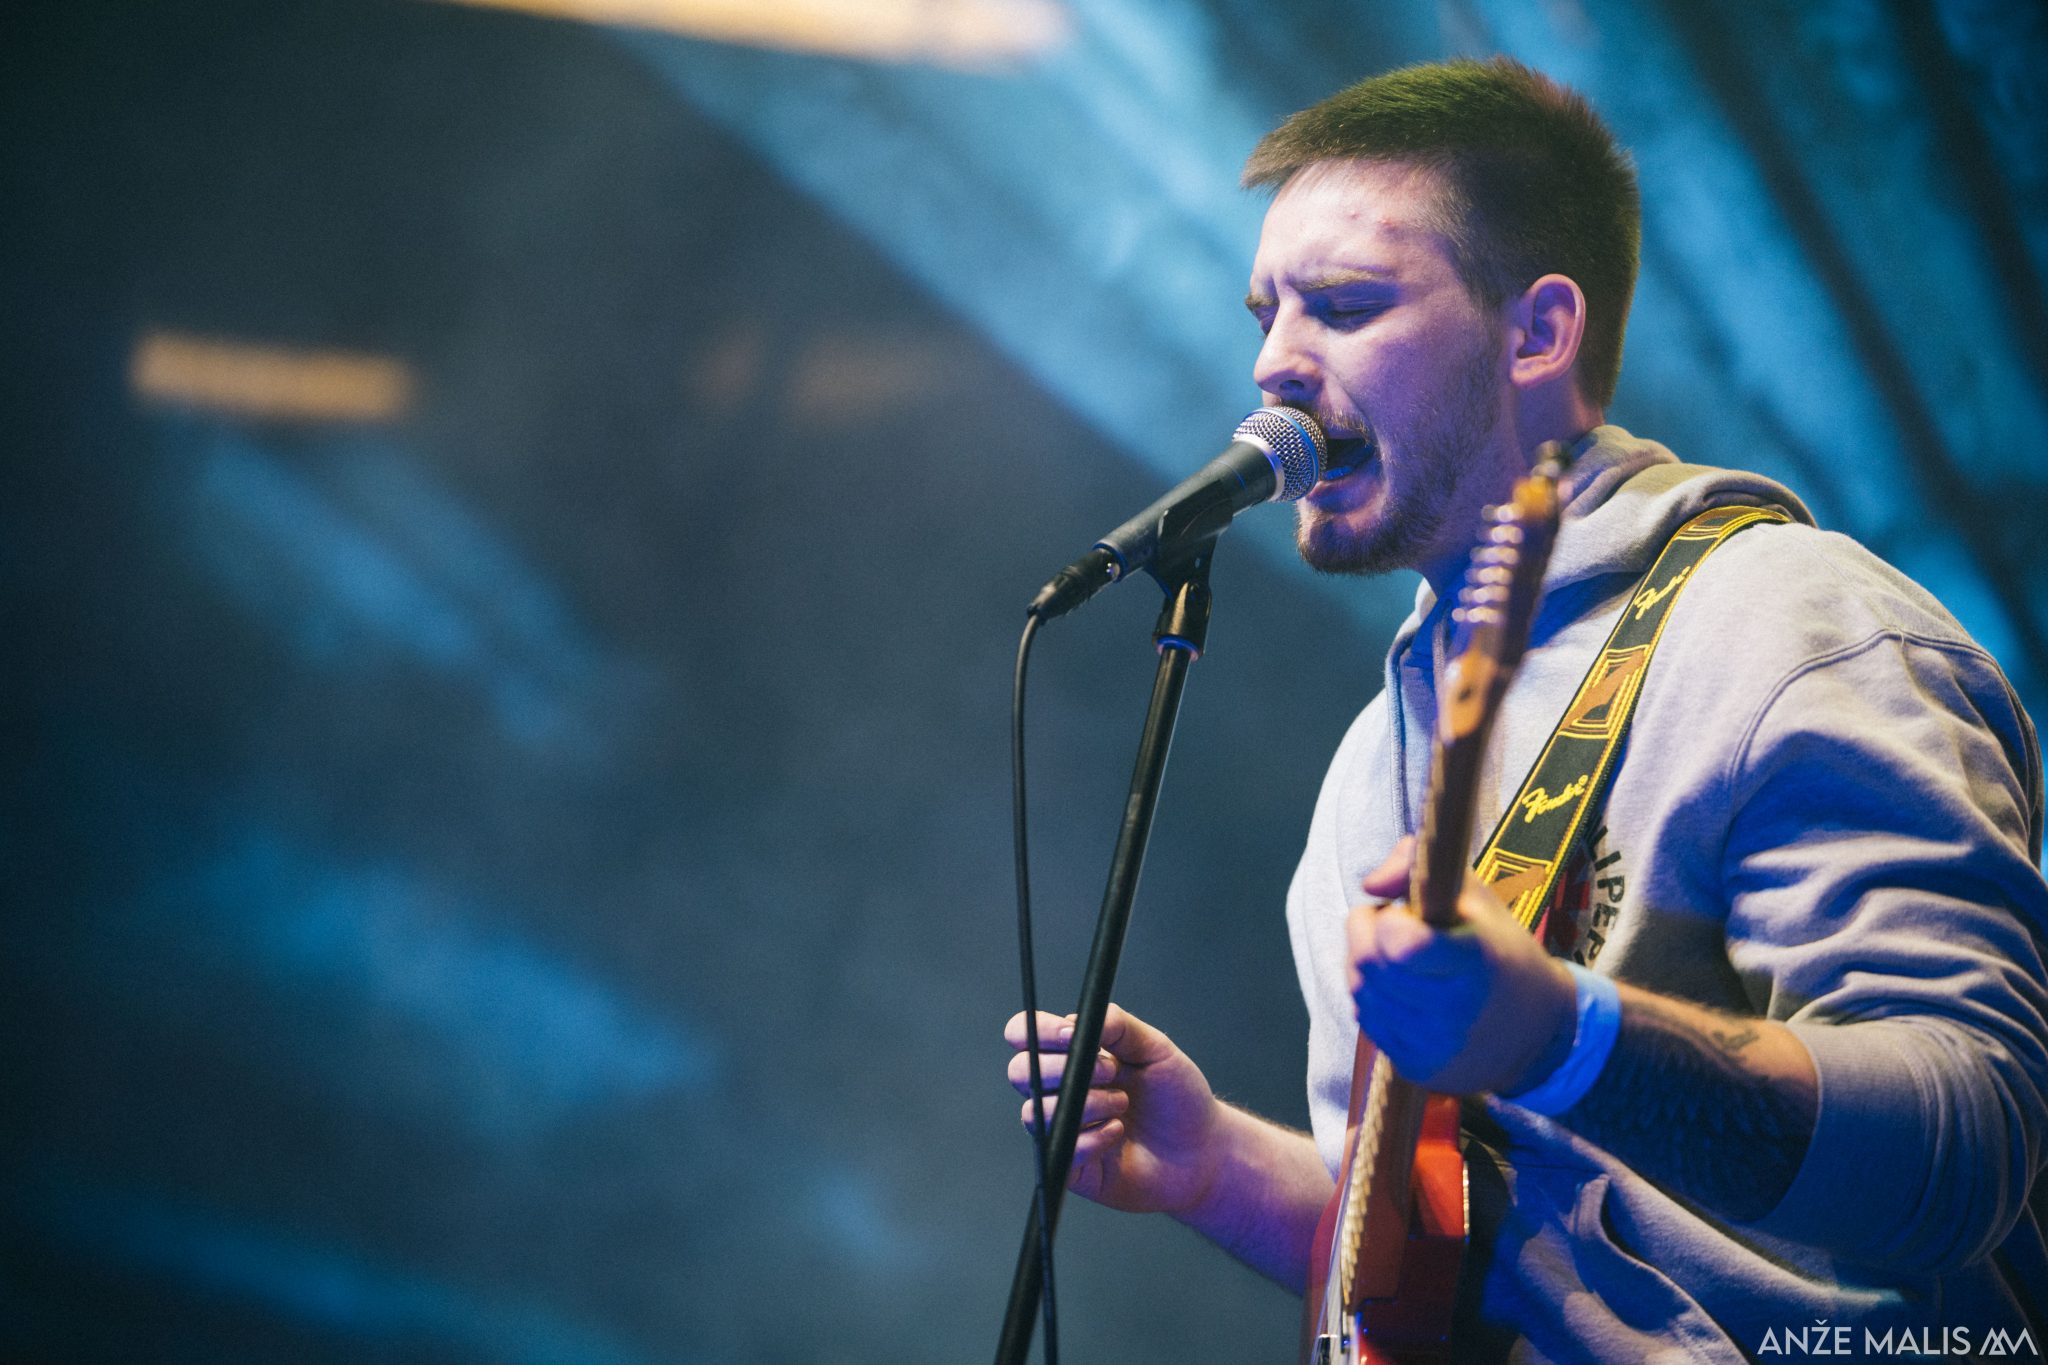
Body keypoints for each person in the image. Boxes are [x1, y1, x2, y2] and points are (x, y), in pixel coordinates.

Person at [1005, 57, 2048, 1360]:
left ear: (1538, 334)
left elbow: (1967, 1146)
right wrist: (1216, 1168)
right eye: (1267, 314)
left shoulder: (1791, 627)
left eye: (1345, 305)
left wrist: (1565, 1037)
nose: (1273, 364)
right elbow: (1462, 1260)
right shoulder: (1371, 767)